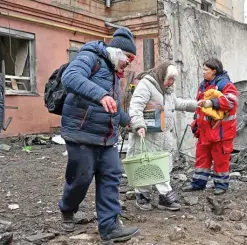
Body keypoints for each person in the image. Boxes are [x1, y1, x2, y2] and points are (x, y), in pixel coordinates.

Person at [59, 28, 139, 244]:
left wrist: (127, 120)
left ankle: (109, 227)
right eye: (129, 58)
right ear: (118, 52)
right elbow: (70, 77)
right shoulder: (89, 56)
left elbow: (112, 106)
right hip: (81, 132)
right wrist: (100, 94)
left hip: (106, 137)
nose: (129, 63)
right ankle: (67, 208)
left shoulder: (114, 74)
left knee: (112, 175)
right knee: (81, 179)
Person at [127, 62, 197, 211]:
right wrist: (139, 124)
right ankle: (146, 195)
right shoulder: (146, 85)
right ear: (162, 75)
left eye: (173, 79)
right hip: (147, 135)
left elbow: (176, 103)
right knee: (146, 164)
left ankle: (157, 196)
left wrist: (198, 105)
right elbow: (136, 106)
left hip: (162, 136)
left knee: (160, 165)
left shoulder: (167, 90)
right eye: (169, 78)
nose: (171, 82)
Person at [183, 58, 238, 195]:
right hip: (205, 131)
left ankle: (221, 185)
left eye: (206, 69)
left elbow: (232, 101)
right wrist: (196, 124)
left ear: (214, 71)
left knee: (220, 160)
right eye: (203, 69)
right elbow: (199, 108)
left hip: (221, 132)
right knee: (202, 158)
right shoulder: (203, 85)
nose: (203, 72)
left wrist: (212, 102)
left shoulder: (225, 84)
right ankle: (198, 184)